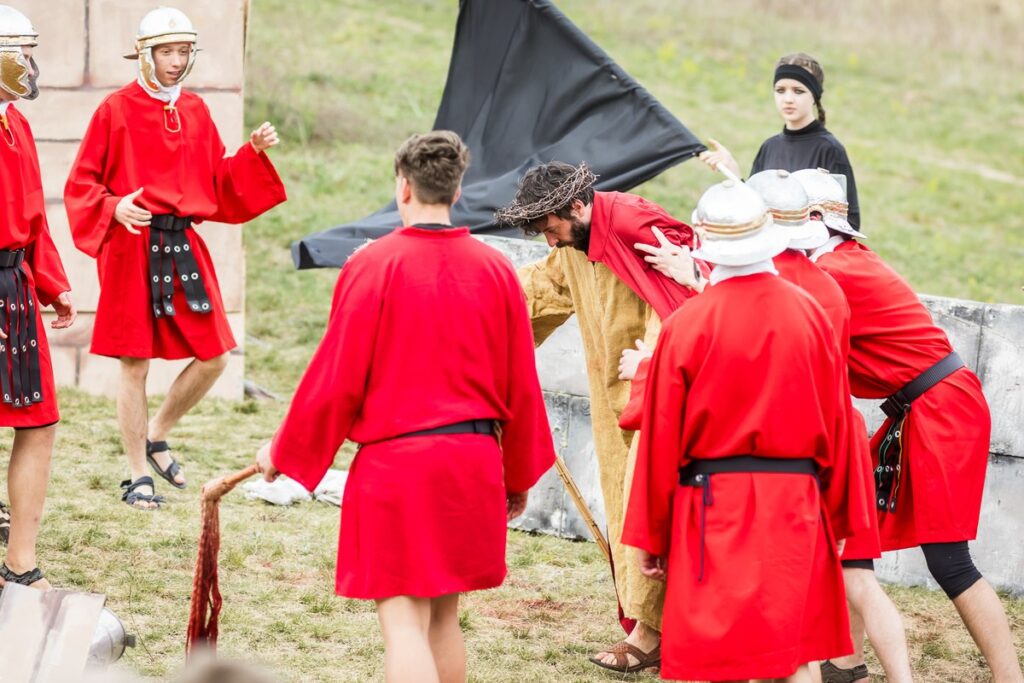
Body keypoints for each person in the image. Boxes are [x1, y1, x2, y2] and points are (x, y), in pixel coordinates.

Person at [257, 131, 555, 683]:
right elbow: (521, 385)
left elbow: (335, 381)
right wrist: (514, 476)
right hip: (471, 464)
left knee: (403, 625)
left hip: (399, 469)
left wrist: (286, 451)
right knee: (444, 620)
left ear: (402, 186)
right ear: (457, 188)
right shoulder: (495, 272)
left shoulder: (373, 266)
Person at [622, 179, 868, 682]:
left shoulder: (687, 325)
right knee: (794, 652)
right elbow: (840, 421)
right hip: (797, 504)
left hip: (712, 507)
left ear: (707, 247)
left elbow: (660, 438)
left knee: (722, 657)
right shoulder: (811, 316)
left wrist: (651, 534)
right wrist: (841, 517)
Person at [796, 168, 1024, 683]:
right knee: (852, 529)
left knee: (949, 560)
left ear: (811, 220)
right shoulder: (839, 261)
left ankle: (1010, 677)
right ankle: (846, 661)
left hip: (941, 408)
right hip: (921, 407)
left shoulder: (834, 269)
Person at [64, 7, 286, 509]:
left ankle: (157, 432)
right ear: (145, 54)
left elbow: (216, 182)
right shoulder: (114, 109)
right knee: (134, 363)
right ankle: (137, 475)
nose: (176, 61)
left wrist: (251, 153)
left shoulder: (195, 110)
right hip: (131, 245)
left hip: (183, 245)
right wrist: (113, 206)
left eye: (184, 51)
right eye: (167, 51)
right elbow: (81, 184)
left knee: (215, 355)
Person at [496, 161, 702, 673]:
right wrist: (476, 309)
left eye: (550, 227)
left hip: (658, 399)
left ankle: (653, 636)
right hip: (613, 401)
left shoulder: (635, 226)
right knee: (628, 510)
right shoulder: (572, 245)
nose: (547, 241)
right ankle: (655, 629)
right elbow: (539, 290)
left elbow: (684, 303)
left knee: (648, 513)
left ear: (578, 206)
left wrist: (653, 368)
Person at [0, 5, 77, 589]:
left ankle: (19, 561)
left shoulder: (15, 123)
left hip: (16, 286)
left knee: (39, 419)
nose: (30, 64)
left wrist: (54, 284)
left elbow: (33, 220)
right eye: (20, 51)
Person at [699, 52, 862, 230]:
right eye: (780, 90)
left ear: (814, 96)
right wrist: (734, 173)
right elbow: (755, 210)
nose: (788, 99)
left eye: (798, 91)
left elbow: (849, 222)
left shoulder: (829, 149)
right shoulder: (769, 147)